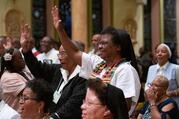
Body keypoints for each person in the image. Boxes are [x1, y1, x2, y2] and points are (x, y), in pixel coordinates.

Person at [51, 6, 141, 116]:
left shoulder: (126, 70)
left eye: (104, 43)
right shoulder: (98, 63)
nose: (99, 46)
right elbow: (74, 52)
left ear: (118, 47)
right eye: (99, 43)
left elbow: (123, 106)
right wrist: (60, 30)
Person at [20, 24, 87, 119]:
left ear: (75, 55)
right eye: (59, 54)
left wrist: (54, 117)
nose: (59, 58)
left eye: (63, 54)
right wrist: (27, 52)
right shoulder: (59, 70)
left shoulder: (83, 76)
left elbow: (73, 104)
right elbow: (38, 68)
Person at [145, 43, 179, 108]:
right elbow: (147, 84)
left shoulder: (176, 68)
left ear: (169, 55)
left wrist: (170, 93)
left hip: (172, 104)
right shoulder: (151, 68)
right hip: (154, 104)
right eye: (157, 52)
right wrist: (148, 92)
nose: (159, 54)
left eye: (163, 52)